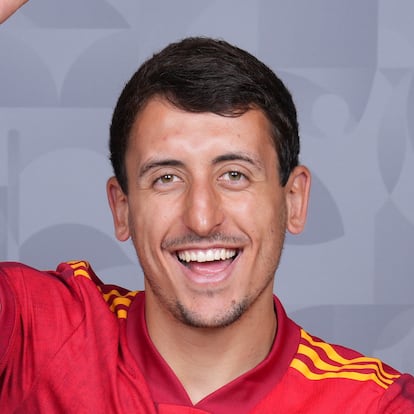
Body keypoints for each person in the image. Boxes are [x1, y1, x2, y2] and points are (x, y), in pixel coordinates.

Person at [1, 36, 414, 413]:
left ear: (294, 200)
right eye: (167, 178)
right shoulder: (35, 336)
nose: (201, 219)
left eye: (234, 175)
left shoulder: (372, 404)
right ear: (122, 208)